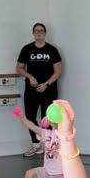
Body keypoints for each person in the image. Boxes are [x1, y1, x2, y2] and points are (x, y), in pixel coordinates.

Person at [16, 24, 62, 156]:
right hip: (31, 89)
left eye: (41, 30)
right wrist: (30, 77)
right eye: (36, 31)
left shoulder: (52, 50)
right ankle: (36, 145)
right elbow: (19, 68)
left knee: (47, 118)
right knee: (30, 116)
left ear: (45, 33)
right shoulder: (27, 49)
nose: (39, 32)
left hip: (49, 90)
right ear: (33, 33)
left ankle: (49, 146)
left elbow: (58, 71)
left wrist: (46, 84)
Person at [15, 112, 74, 178]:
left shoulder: (64, 135)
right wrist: (23, 118)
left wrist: (62, 117)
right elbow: (32, 127)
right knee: (29, 174)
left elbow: (69, 123)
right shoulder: (46, 133)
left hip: (60, 175)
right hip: (47, 172)